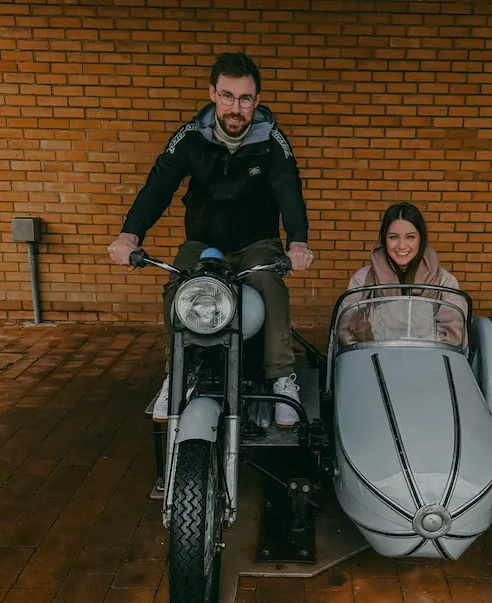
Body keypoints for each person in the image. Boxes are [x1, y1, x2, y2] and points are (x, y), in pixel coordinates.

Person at [108, 52, 314, 425]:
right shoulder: (190, 138)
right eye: (228, 96)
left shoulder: (272, 140)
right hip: (203, 243)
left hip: (257, 243)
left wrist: (297, 242)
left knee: (270, 282)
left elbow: (289, 189)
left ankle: (282, 377)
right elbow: (159, 185)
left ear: (257, 100)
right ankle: (179, 372)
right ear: (213, 94)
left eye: (246, 98)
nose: (237, 107)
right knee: (178, 283)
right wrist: (129, 235)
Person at [338, 202, 467, 347]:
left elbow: (453, 337)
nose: (401, 246)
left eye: (410, 237)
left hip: (429, 362)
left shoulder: (445, 282)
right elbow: (345, 333)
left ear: (421, 239)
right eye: (393, 237)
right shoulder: (362, 280)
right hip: (375, 361)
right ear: (383, 238)